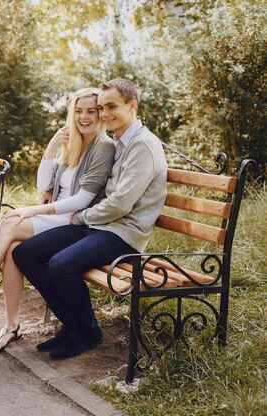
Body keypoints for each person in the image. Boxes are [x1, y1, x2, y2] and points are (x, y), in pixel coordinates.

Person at [12, 78, 168, 359]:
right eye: (102, 107)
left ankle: (87, 331)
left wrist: (80, 217)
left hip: (124, 234)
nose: (104, 113)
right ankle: (73, 324)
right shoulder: (123, 141)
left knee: (61, 265)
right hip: (100, 226)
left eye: (111, 107)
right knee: (25, 254)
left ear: (132, 106)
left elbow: (121, 204)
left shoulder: (142, 146)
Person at [0, 87, 116, 353]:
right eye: (78, 111)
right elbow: (44, 183)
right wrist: (52, 148)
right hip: (56, 214)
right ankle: (10, 326)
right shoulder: (73, 143)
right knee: (11, 250)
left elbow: (81, 201)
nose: (84, 117)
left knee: (9, 224)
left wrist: (33, 211)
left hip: (75, 220)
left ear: (101, 114)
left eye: (91, 111)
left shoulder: (103, 147)